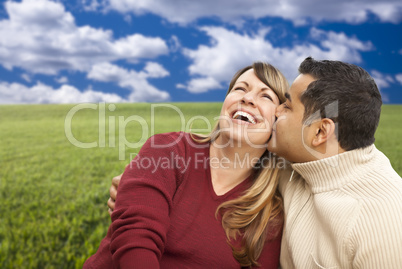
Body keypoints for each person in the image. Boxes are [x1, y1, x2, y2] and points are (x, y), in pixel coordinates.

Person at [108, 57, 402, 268]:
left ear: (320, 132)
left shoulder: (382, 221)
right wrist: (136, 191)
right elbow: (137, 227)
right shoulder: (294, 167)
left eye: (282, 104)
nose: (249, 100)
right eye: (239, 89)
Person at [84, 62, 289, 268]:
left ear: (277, 122)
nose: (247, 98)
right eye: (240, 89)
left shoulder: (268, 214)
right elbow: (136, 238)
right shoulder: (168, 149)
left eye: (265, 96)